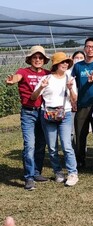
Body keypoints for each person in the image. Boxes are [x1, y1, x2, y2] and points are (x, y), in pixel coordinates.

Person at [5, 45, 51, 190]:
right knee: (29, 145)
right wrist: (13, 80)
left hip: (44, 112)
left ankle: (37, 172)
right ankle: (29, 177)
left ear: (44, 60)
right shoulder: (23, 72)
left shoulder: (47, 73)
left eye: (40, 57)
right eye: (35, 57)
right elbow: (17, 77)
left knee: (40, 144)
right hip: (28, 112)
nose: (37, 60)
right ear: (30, 59)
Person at [31, 52, 79, 187]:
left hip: (65, 114)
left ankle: (72, 173)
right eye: (62, 62)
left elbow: (74, 100)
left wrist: (70, 89)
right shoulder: (46, 79)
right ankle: (58, 172)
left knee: (66, 145)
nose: (65, 64)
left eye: (67, 62)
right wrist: (41, 87)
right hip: (47, 115)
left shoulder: (70, 79)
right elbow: (34, 97)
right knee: (52, 147)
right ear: (56, 64)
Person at [71, 37, 93, 169]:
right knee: (80, 133)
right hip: (82, 104)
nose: (90, 49)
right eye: (87, 46)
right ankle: (80, 160)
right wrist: (73, 100)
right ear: (84, 48)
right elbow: (72, 83)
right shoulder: (78, 66)